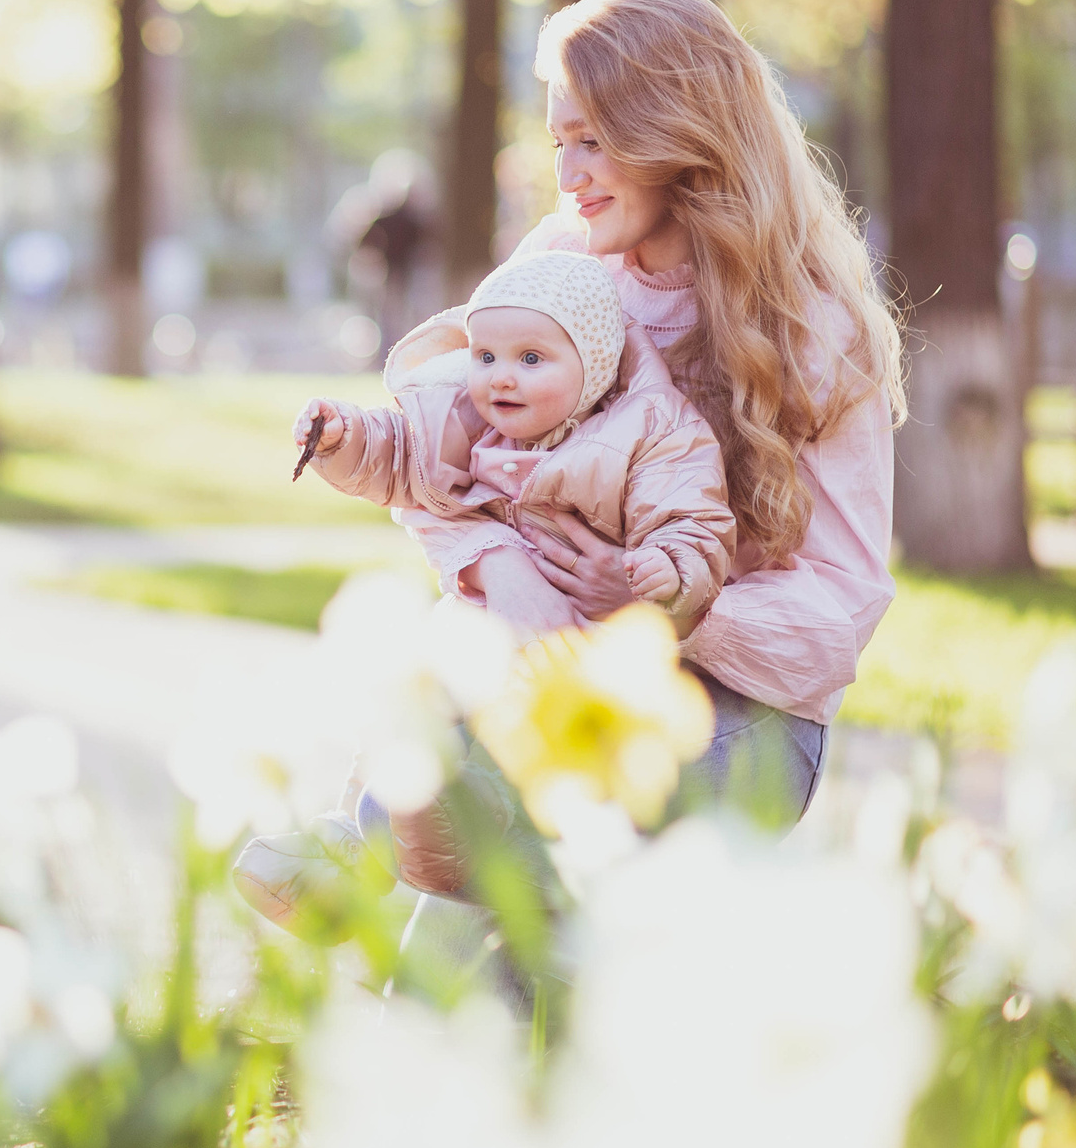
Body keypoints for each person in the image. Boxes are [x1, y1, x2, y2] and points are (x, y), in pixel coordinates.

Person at [284, 0, 905, 983]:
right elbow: (451, 455)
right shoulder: (564, 266)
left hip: (739, 718)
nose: (567, 176)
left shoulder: (811, 330)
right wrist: (508, 574)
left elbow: (839, 612)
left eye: (592, 143)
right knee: (471, 936)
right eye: (557, 143)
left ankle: (385, 865)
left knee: (506, 847)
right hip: (552, 689)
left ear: (677, 131)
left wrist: (664, 604)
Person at [234, 248, 733, 924]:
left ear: (595, 362)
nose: (501, 378)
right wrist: (344, 439)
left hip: (572, 646)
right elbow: (401, 453)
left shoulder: (651, 426)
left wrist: (665, 570)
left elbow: (694, 518)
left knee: (505, 743)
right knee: (413, 707)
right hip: (476, 626)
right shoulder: (467, 414)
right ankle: (352, 837)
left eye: (531, 359)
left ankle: (415, 837)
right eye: (487, 356)